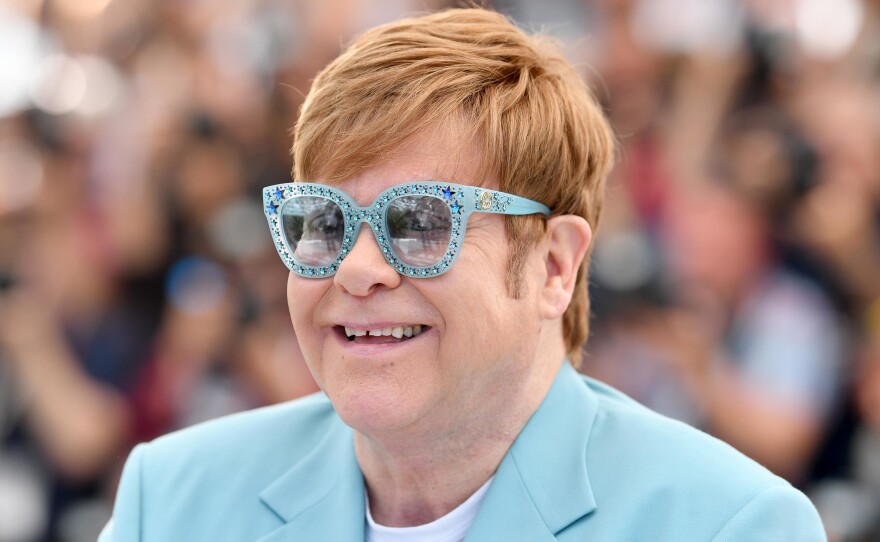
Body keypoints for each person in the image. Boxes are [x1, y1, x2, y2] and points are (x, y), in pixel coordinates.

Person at [99, 8, 826, 541]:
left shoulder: (731, 524)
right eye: (321, 221)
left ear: (554, 264)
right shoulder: (169, 500)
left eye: (419, 222)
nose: (356, 269)